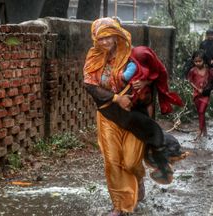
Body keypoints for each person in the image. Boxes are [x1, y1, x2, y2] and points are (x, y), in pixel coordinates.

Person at [82, 18, 186, 216]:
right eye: (100, 38)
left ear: (116, 36)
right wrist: (116, 98)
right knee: (112, 163)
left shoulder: (132, 56)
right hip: (107, 114)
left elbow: (155, 74)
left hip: (133, 117)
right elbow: (89, 85)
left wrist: (145, 82)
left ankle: (138, 180)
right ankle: (120, 205)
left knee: (130, 162)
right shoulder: (94, 57)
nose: (104, 42)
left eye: (108, 37)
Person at [187, 50, 213, 140]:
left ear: (204, 60)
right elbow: (190, 81)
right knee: (200, 113)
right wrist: (197, 88)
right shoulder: (193, 71)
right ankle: (205, 131)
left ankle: (199, 131)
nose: (198, 63)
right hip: (196, 94)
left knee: (201, 111)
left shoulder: (208, 70)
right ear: (193, 61)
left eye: (200, 61)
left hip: (205, 94)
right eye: (196, 61)